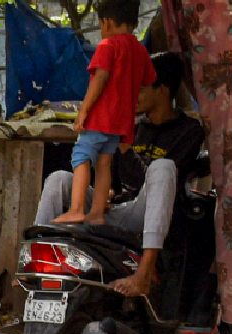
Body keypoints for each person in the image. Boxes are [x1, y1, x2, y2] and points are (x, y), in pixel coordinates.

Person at [36, 51, 205, 297]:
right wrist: (106, 194)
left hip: (150, 214)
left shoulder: (188, 131)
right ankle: (37, 257)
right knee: (59, 179)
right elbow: (114, 179)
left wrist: (126, 149)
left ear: (162, 90)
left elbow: (160, 185)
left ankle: (144, 273)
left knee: (163, 167)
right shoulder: (134, 126)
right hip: (118, 209)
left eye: (140, 89)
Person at [52, 0, 155, 226]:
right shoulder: (140, 51)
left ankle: (76, 208)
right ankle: (97, 213)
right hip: (121, 123)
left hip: (100, 118)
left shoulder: (108, 46)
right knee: (104, 163)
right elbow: (148, 81)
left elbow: (99, 78)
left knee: (81, 157)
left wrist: (84, 111)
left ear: (106, 22)